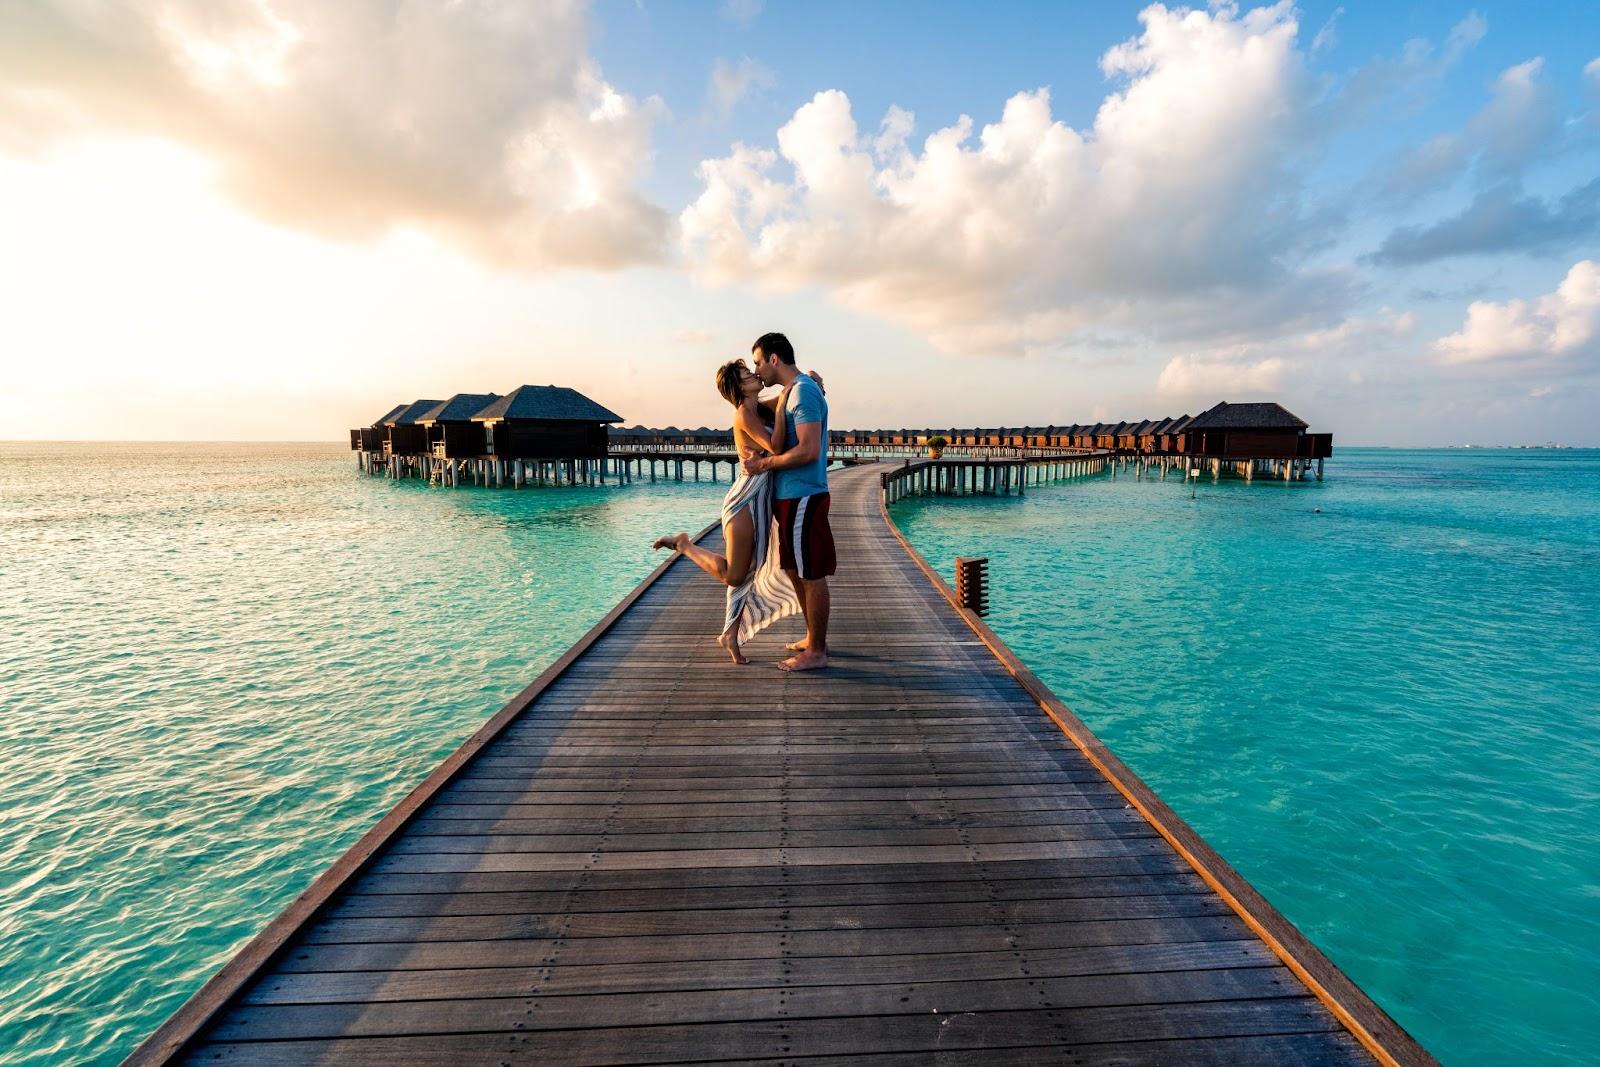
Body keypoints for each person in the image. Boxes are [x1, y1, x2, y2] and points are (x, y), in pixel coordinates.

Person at [652, 359, 802, 664]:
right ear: (737, 387)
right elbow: (775, 446)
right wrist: (785, 399)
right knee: (735, 574)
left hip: (759, 499)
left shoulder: (758, 408)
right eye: (746, 374)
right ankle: (685, 544)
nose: (754, 375)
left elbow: (787, 397)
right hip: (744, 500)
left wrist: (802, 385)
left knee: (749, 571)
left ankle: (730, 635)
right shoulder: (744, 414)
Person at [741, 332, 834, 672]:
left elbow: (808, 449)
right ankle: (813, 638)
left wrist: (763, 463)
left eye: (758, 362)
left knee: (811, 573)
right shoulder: (794, 391)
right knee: (794, 569)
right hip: (789, 496)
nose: (757, 370)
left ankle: (818, 651)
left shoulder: (803, 393)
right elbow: (749, 409)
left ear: (774, 359)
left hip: (804, 494)